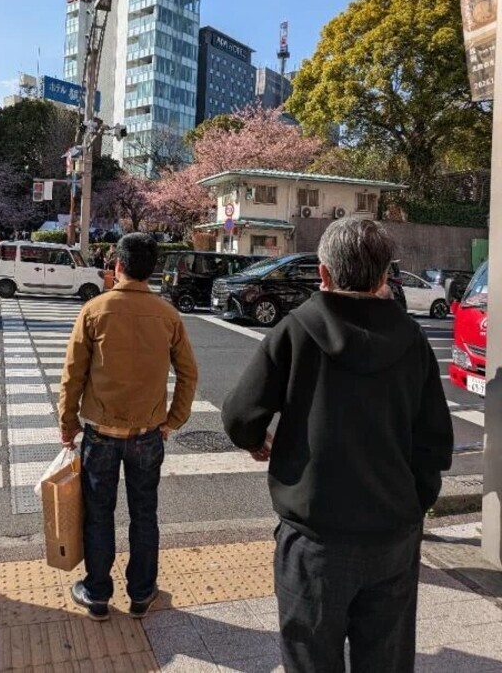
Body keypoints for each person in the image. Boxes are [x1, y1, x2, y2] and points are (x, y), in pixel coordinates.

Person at [222, 218, 453, 673]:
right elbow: (435, 443)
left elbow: (239, 414)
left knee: (310, 658)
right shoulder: (412, 340)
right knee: (385, 659)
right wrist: (411, 505)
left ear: (323, 274)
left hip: (314, 539)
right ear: (385, 276)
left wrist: (257, 441)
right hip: (392, 536)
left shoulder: (297, 330)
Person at [58, 233, 198, 622]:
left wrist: (67, 424)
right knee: (145, 513)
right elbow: (188, 373)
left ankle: (98, 593)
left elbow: (73, 374)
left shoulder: (95, 309)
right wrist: (174, 419)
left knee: (98, 514)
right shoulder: (168, 314)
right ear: (150, 270)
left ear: (117, 266)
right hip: (148, 435)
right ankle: (141, 593)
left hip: (100, 434)